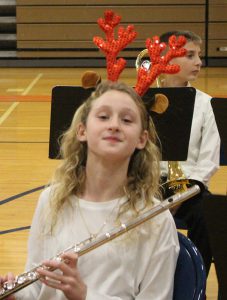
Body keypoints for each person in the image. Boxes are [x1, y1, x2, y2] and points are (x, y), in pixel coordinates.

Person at [0, 81, 179, 300]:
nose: (114, 125)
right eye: (103, 117)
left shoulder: (156, 219)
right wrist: (15, 295)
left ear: (142, 139)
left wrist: (84, 295)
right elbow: (37, 288)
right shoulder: (51, 201)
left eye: (127, 120)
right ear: (82, 131)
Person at [159, 30, 220, 277]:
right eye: (190, 55)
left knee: (207, 215)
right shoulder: (141, 98)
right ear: (165, 58)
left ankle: (196, 283)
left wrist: (181, 196)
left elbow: (208, 159)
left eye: (199, 56)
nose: (199, 62)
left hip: (190, 186)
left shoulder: (207, 105)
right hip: (147, 183)